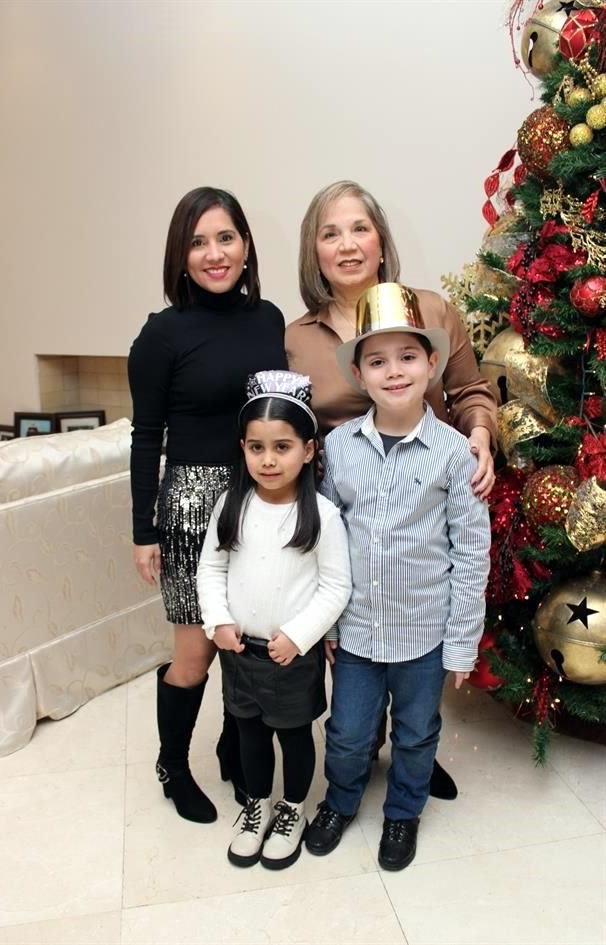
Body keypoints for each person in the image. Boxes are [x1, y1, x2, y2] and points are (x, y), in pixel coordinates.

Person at [285, 179, 497, 799]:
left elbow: (471, 393)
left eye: (359, 228)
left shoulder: (431, 311)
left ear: (381, 240)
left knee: (413, 671)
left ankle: (414, 754)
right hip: (343, 512)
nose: (347, 244)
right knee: (354, 676)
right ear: (314, 252)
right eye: (330, 233)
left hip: (422, 503)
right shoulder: (296, 337)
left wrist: (480, 435)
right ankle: (360, 755)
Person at [304, 282, 491, 870]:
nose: (394, 372)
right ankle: (340, 799)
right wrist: (327, 623)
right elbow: (327, 540)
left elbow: (472, 554)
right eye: (377, 361)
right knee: (349, 732)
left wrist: (461, 643)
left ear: (432, 364)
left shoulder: (455, 455)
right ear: (359, 375)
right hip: (357, 632)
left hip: (424, 636)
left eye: (408, 357)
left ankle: (404, 813)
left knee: (415, 733)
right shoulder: (338, 449)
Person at [128, 187, 287, 824]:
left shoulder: (270, 318)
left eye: (226, 238)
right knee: (195, 651)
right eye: (198, 241)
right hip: (192, 504)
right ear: (181, 255)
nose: (214, 253)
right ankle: (173, 763)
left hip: (260, 496)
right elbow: (145, 439)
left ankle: (231, 745)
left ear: (246, 247)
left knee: (243, 639)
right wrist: (145, 530)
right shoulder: (161, 334)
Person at [197, 370, 352, 869]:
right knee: (249, 734)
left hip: (291, 655)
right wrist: (217, 621)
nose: (268, 460)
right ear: (242, 448)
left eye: (282, 447)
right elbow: (211, 567)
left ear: (308, 451)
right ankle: (257, 806)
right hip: (241, 653)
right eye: (257, 447)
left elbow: (335, 587)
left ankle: (291, 809)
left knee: (293, 735)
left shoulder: (322, 515)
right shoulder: (231, 505)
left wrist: (300, 636)